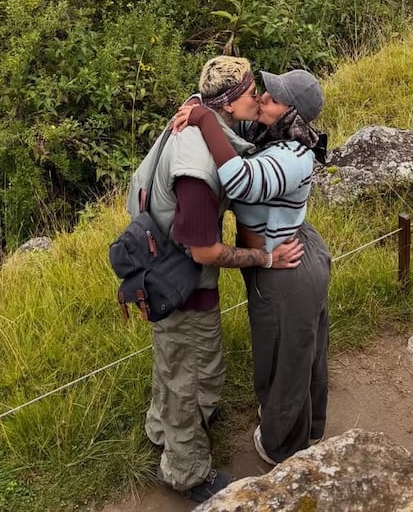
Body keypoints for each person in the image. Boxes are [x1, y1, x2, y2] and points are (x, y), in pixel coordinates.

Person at [126, 57, 304, 504]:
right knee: (193, 374)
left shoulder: (201, 114)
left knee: (173, 361)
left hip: (167, 261)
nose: (259, 99)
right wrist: (265, 258)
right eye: (251, 94)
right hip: (180, 278)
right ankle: (187, 472)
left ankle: (159, 429)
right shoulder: (198, 174)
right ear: (226, 104)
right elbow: (204, 250)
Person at [176, 67, 331, 466]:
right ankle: (306, 427)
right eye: (263, 90)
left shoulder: (296, 155)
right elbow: (224, 104)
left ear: (290, 112)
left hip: (286, 268)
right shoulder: (271, 133)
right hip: (290, 251)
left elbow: (241, 182)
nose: (262, 97)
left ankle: (282, 450)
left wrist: (203, 119)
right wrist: (200, 103)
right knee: (298, 351)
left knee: (286, 361)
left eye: (273, 97)